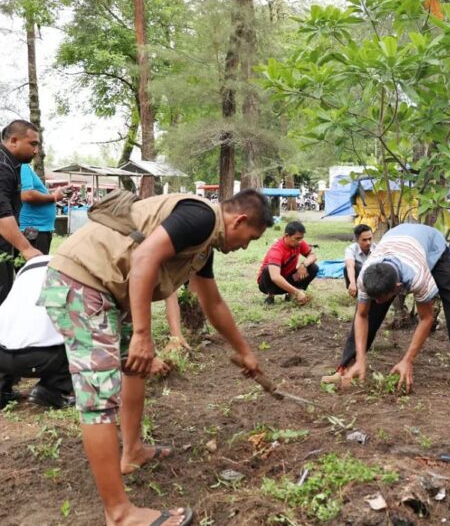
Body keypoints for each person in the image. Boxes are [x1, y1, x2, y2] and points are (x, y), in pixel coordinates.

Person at [38, 189, 274, 526]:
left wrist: (245, 351)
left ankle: (131, 452)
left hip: (100, 289)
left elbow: (213, 302)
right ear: (240, 220)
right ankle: (120, 514)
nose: (247, 246)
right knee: (98, 397)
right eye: (251, 237)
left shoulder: (204, 243)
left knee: (134, 368)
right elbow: (145, 258)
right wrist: (143, 335)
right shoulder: (201, 217)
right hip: (80, 283)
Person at [321, 223, 450, 399]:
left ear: (398, 288)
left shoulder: (418, 278)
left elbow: (426, 319)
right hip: (397, 239)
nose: (378, 302)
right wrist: (361, 358)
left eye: (383, 298)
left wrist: (408, 360)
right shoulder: (366, 276)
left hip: (433, 246)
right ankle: (347, 367)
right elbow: (362, 315)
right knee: (371, 309)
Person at [0, 255, 73, 409]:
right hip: (39, 358)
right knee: (83, 335)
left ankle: (2, 389)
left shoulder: (28, 271)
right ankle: (51, 389)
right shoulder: (68, 274)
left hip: (2, 355)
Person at [0, 120, 43, 305]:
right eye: (33, 144)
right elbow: (1, 214)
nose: (36, 151)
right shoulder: (2, 166)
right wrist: (26, 248)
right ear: (14, 141)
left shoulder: (12, 164)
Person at [257, 220, 319, 305]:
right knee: (268, 269)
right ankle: (270, 296)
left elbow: (313, 256)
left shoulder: (299, 243)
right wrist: (297, 292)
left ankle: (290, 294)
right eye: (297, 238)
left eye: (301, 238)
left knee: (313, 267)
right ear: (287, 235)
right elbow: (275, 277)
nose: (300, 241)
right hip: (269, 284)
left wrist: (304, 265)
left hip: (287, 279)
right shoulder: (277, 250)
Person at [20, 164, 69, 255]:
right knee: (35, 266)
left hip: (39, 228)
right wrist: (54, 197)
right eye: (33, 148)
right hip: (34, 229)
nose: (35, 151)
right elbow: (28, 195)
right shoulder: (23, 166)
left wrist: (55, 193)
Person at [344, 224, 377, 297]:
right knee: (353, 266)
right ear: (356, 240)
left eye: (370, 239)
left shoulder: (377, 249)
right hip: (359, 277)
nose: (368, 242)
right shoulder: (350, 249)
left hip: (373, 278)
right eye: (364, 240)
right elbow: (350, 266)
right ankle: (355, 290)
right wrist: (352, 283)